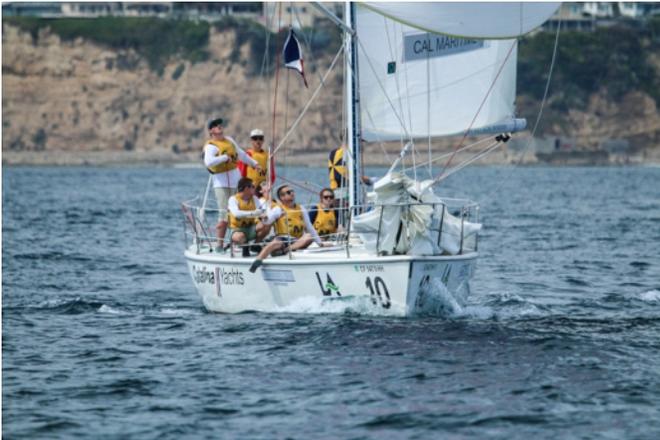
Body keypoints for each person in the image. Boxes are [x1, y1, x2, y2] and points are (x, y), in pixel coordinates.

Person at [203, 118, 262, 251]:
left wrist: (254, 163)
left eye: (220, 125)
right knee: (224, 213)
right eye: (215, 126)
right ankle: (219, 244)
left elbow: (241, 154)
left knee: (241, 208)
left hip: (236, 180)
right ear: (211, 130)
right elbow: (208, 162)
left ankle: (240, 239)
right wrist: (224, 158)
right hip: (221, 183)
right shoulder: (211, 146)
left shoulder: (229, 140)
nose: (219, 126)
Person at [249, 185, 326, 273]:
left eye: (292, 191)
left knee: (309, 236)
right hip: (283, 238)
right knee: (273, 244)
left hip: (297, 240)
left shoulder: (301, 208)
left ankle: (285, 250)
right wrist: (264, 218)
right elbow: (268, 221)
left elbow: (309, 227)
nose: (292, 193)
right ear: (282, 197)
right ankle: (257, 261)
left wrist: (320, 243)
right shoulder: (278, 209)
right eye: (289, 192)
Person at [227, 177, 270, 257]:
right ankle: (245, 247)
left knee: (267, 225)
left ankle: (255, 245)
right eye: (253, 186)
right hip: (237, 229)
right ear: (247, 188)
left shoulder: (255, 198)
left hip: (251, 228)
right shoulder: (233, 199)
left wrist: (263, 216)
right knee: (240, 236)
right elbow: (236, 214)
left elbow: (260, 211)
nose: (255, 188)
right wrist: (253, 213)